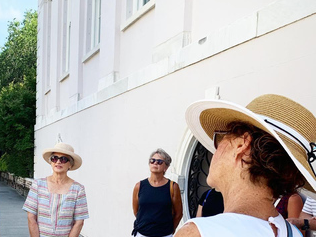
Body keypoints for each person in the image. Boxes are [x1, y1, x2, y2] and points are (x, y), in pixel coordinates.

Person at [176, 94, 316, 237]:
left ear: (241, 144)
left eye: (220, 138)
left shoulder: (198, 233)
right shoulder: (293, 233)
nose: (214, 150)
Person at [23, 142, 89, 237]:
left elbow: (79, 222)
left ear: (70, 165)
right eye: (54, 158)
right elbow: (31, 217)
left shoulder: (78, 189)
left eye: (63, 159)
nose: (58, 162)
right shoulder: (38, 185)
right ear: (51, 162)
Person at [132, 148, 183, 237]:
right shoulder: (139, 186)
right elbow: (136, 211)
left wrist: (170, 230)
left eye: (159, 161)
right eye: (152, 160)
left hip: (164, 234)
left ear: (166, 167)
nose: (155, 163)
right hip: (142, 233)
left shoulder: (173, 187)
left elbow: (178, 214)